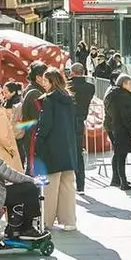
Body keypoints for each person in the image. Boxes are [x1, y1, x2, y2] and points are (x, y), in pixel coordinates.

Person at [35, 69, 79, 231]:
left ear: (52, 82)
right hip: (68, 147)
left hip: (52, 147)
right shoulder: (69, 99)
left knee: (50, 187)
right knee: (68, 185)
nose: (44, 85)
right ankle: (69, 221)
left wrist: (38, 142)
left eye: (46, 82)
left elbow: (45, 125)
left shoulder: (48, 100)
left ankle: (46, 221)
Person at [103, 74, 131, 191]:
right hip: (127, 129)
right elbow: (127, 115)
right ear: (124, 84)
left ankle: (123, 182)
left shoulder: (111, 93)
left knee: (121, 155)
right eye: (130, 83)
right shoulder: (124, 95)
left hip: (116, 129)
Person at [68, 64, 95, 193]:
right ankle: (81, 185)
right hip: (80, 121)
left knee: (65, 153)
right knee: (78, 153)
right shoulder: (90, 87)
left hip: (67, 121)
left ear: (72, 73)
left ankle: (67, 183)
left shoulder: (68, 86)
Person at [19, 63, 48, 174]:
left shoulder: (34, 89)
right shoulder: (35, 93)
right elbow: (39, 117)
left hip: (32, 134)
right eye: (45, 76)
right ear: (38, 77)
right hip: (33, 135)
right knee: (33, 168)